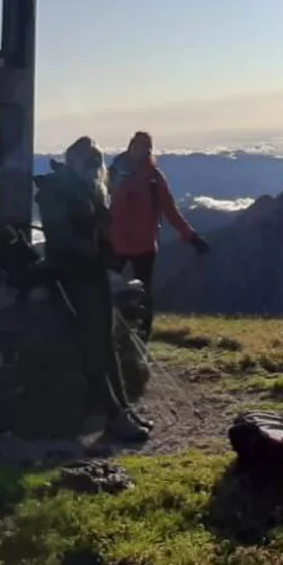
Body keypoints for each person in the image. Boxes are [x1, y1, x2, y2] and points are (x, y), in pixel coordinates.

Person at [34, 136, 150, 443]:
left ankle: (123, 409)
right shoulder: (55, 191)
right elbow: (60, 238)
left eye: (97, 161)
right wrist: (96, 242)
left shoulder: (84, 190)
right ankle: (113, 416)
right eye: (88, 160)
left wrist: (104, 238)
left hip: (92, 271)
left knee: (107, 344)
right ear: (72, 160)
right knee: (95, 347)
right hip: (74, 274)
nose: (94, 167)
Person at [109, 130, 209, 334]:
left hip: (142, 245)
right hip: (116, 242)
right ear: (131, 146)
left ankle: (142, 334)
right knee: (107, 289)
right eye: (138, 145)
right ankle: (110, 330)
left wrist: (191, 236)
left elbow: (170, 211)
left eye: (146, 146)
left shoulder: (154, 178)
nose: (141, 150)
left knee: (143, 294)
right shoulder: (113, 173)